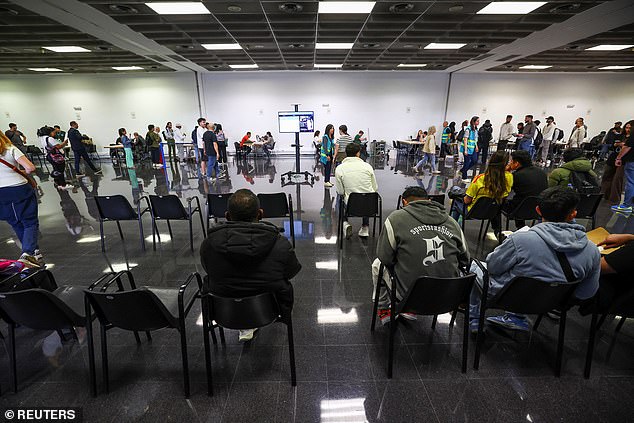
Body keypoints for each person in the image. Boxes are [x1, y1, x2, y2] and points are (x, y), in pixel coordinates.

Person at [469, 187, 600, 332]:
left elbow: (493, 267)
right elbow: (587, 292)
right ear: (573, 214)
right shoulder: (592, 250)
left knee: (475, 266)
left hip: (507, 299)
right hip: (554, 304)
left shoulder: (520, 240)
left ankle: (475, 319)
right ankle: (516, 318)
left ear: (538, 210)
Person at [200, 189, 301, 341]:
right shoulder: (280, 244)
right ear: (260, 214)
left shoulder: (208, 245)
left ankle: (244, 325)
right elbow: (291, 272)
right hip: (270, 310)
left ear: (227, 216)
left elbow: (208, 270)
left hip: (221, 312)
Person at [373, 186, 470, 324]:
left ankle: (385, 309)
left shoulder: (395, 219)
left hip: (409, 296)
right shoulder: (452, 222)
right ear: (429, 200)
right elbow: (465, 259)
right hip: (449, 296)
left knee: (377, 265)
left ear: (404, 202)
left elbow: (385, 257)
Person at [0, 132, 42, 267]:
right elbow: (30, 167)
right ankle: (28, 253)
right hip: (19, 188)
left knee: (14, 221)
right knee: (29, 221)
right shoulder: (10, 149)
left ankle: (33, 251)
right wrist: (22, 172)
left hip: (1, 191)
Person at [451, 151, 513, 239]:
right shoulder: (509, 178)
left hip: (473, 211)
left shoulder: (480, 179)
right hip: (492, 211)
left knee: (455, 199)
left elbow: (466, 200)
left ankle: (452, 229)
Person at [335, 143, 378, 238]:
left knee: (339, 197)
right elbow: (375, 188)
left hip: (351, 205)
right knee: (367, 194)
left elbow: (341, 191)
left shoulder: (340, 168)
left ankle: (345, 222)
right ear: (358, 153)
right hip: (370, 205)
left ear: (346, 153)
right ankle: (365, 227)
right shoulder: (368, 166)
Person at [504, 150, 548, 228]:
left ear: (516, 163)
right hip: (539, 209)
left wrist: (506, 173)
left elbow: (504, 190)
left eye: (511, 161)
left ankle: (497, 231)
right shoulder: (541, 172)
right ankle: (521, 227)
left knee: (497, 203)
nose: (509, 163)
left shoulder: (516, 175)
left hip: (518, 209)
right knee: (523, 199)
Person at [611, 119, 634, 213]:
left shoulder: (633, 135)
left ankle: (627, 205)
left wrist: (618, 158)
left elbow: (627, 146)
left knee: (630, 183)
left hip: (632, 161)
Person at [39, 126, 68, 190]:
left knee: (56, 169)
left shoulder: (42, 138)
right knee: (60, 170)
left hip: (48, 156)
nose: (54, 134)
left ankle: (58, 183)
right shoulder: (49, 139)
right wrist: (65, 142)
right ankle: (63, 185)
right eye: (54, 132)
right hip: (55, 156)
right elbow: (59, 146)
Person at [460, 116, 479, 181]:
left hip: (473, 148)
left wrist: (476, 146)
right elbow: (465, 139)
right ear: (473, 121)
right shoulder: (468, 129)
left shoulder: (476, 129)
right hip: (467, 148)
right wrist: (465, 150)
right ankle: (464, 177)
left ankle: (463, 170)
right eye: (477, 121)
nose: (478, 122)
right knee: (467, 162)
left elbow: (475, 139)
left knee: (474, 160)